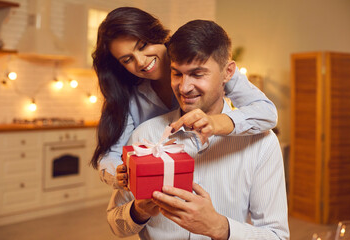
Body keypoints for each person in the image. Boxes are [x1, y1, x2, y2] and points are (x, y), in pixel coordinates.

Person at [106, 20, 289, 239]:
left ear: (228, 72)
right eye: (177, 74)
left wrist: (219, 227)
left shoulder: (261, 143)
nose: (184, 87)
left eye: (198, 74)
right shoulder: (145, 137)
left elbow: (277, 236)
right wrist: (139, 211)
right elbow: (117, 226)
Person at [90, 7, 278, 189]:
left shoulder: (202, 61)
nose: (141, 61)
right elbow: (110, 156)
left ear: (158, 35)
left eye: (143, 46)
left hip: (212, 168)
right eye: (127, 60)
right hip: (162, 182)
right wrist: (120, 175)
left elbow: (266, 112)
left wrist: (215, 122)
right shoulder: (129, 96)